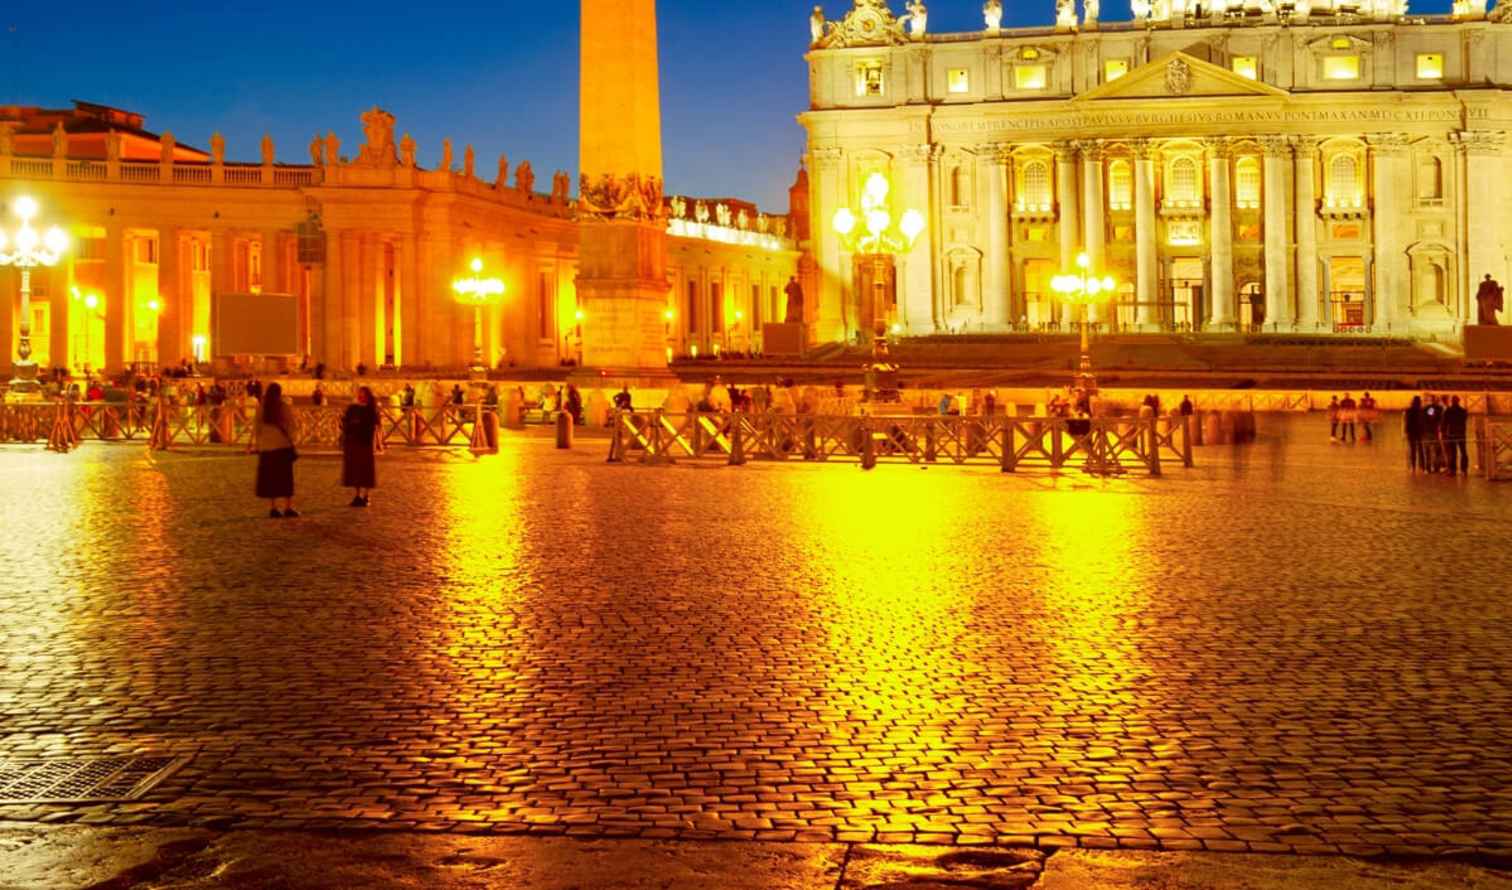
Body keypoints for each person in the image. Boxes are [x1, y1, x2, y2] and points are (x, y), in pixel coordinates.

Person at [252, 382, 298, 518]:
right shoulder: (283, 407)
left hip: (267, 448)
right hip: (282, 446)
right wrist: (291, 439)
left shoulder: (262, 408)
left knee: (270, 479)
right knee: (285, 479)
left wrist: (259, 443)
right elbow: (291, 425)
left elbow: (256, 427)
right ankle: (288, 507)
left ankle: (273, 508)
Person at [341, 386, 380, 507]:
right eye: (359, 394)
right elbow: (345, 421)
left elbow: (375, 424)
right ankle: (357, 495)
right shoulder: (352, 408)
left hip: (366, 442)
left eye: (363, 394)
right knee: (356, 470)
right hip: (353, 441)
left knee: (366, 469)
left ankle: (366, 495)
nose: (360, 396)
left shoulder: (371, 409)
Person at [1444, 395, 1470, 476]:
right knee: (1463, 452)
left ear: (1452, 401)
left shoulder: (1448, 411)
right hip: (1461, 433)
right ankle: (1464, 470)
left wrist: (1443, 432)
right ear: (1459, 401)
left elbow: (1444, 422)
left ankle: (1452, 470)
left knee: (1452, 453)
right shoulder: (1463, 411)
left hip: (1451, 434)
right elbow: (1464, 420)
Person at [1405, 396, 1427, 472]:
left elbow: (1407, 422)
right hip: (1419, 432)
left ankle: (1413, 467)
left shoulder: (1409, 410)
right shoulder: (1422, 410)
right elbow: (1428, 416)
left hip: (1412, 432)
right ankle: (1422, 467)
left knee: (1413, 450)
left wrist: (1406, 432)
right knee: (1420, 450)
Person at [1423, 395, 1444, 472]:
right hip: (1434, 432)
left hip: (1429, 432)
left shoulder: (1429, 408)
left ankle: (1428, 468)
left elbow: (1431, 417)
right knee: (1437, 450)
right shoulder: (1438, 408)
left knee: (1428, 451)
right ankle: (1436, 467)